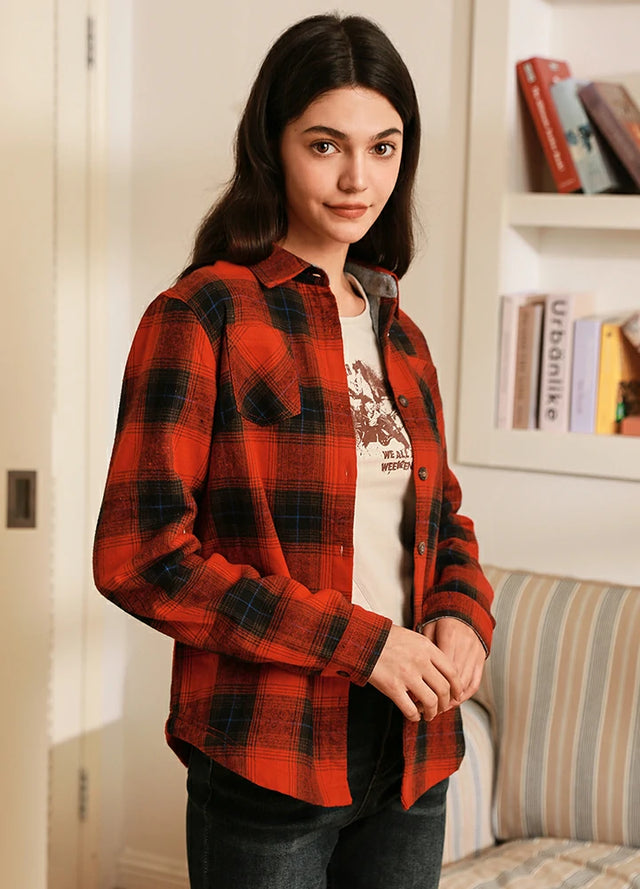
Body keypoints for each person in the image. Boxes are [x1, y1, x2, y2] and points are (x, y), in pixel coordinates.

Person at [93, 13, 495, 889]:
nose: (360, 177)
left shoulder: (401, 331)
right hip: (271, 752)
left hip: (414, 751)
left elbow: (442, 517)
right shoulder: (204, 315)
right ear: (274, 146)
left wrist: (463, 612)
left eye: (384, 147)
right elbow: (140, 556)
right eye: (327, 144)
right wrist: (362, 644)